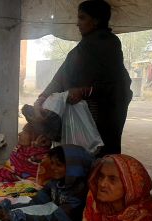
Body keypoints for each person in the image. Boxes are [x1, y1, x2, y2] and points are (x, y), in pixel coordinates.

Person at [35, 0, 132, 157]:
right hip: (79, 115)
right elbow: (61, 76)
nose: (77, 24)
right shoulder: (81, 48)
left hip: (101, 119)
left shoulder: (109, 45)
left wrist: (85, 91)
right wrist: (42, 98)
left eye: (82, 18)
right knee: (76, 162)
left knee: (100, 164)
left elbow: (118, 86)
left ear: (96, 21)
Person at [0, 145, 93, 221]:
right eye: (52, 163)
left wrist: (23, 217)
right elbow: (38, 200)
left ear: (74, 168)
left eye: (59, 165)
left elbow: (57, 218)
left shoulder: (79, 192)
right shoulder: (56, 182)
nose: (53, 167)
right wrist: (12, 208)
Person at [83, 154, 152, 221]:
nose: (102, 184)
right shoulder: (95, 200)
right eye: (101, 176)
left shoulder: (145, 215)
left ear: (130, 186)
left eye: (112, 179)